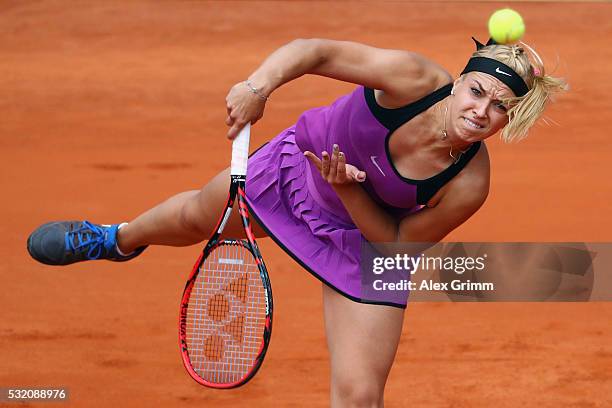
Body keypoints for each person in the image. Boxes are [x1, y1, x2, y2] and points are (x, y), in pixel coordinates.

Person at [27, 37, 567, 406]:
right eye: (476, 91)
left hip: (363, 244)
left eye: (500, 108)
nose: (480, 111)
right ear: (459, 82)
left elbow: (396, 244)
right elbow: (314, 50)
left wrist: (350, 192)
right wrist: (258, 88)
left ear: (510, 119)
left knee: (359, 395)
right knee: (198, 213)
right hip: (294, 175)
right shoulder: (412, 78)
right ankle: (115, 239)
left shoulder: (470, 182)